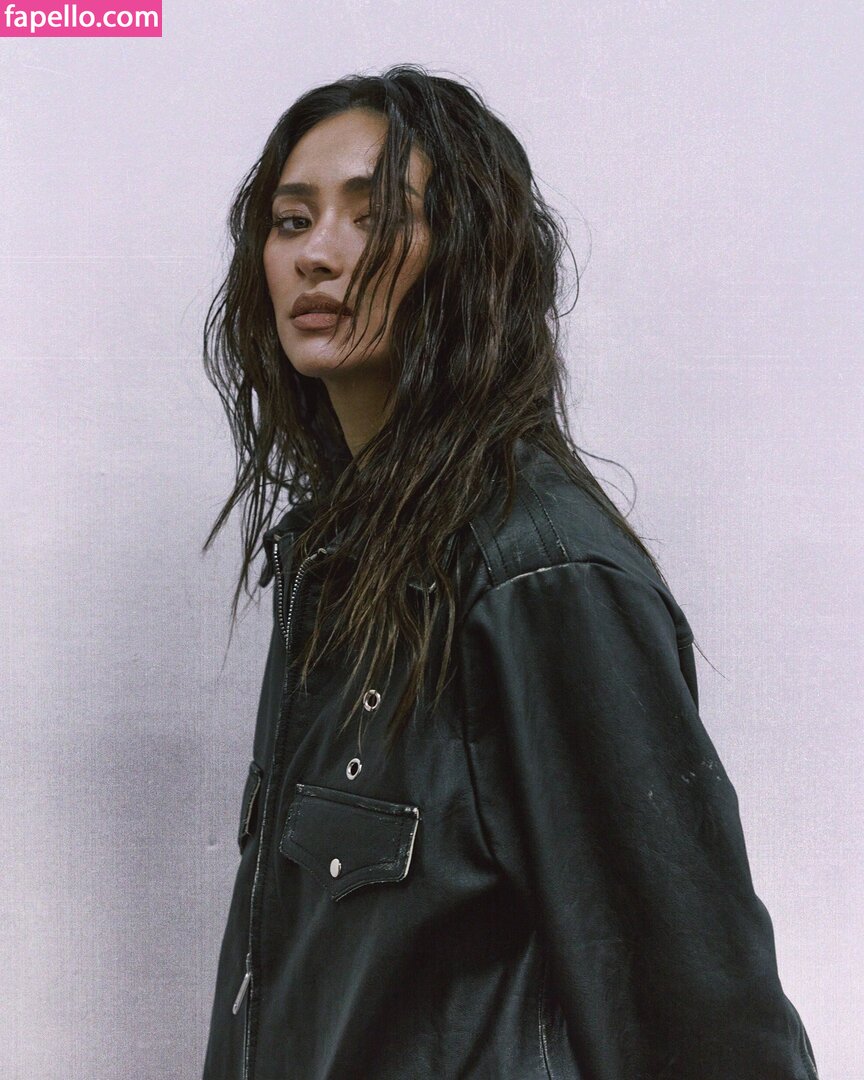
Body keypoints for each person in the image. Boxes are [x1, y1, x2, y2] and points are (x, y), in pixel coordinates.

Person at [200, 64, 819, 1080]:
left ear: (468, 255)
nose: (318, 252)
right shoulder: (335, 561)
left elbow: (700, 1008)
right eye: (292, 220)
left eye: (374, 217)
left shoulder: (537, 573)